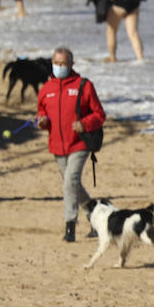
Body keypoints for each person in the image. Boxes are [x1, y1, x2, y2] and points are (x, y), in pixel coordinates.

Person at [35, 46, 105, 242]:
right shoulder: (46, 90)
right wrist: (42, 121)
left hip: (79, 143)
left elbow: (99, 114)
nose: (59, 67)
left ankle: (70, 226)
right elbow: (42, 113)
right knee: (72, 184)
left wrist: (84, 124)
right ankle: (95, 216)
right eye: (56, 63)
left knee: (70, 182)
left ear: (71, 64)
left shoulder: (84, 86)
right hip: (57, 146)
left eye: (63, 63)